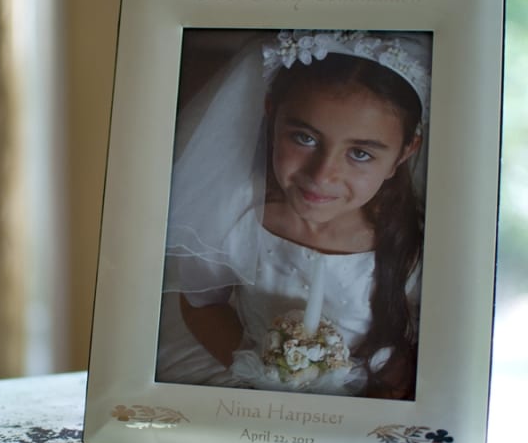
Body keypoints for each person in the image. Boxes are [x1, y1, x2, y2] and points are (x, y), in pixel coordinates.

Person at [156, 29, 431, 400]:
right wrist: (260, 370)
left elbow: (411, 360)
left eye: (360, 154)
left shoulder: (413, 244)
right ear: (271, 113)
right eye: (304, 138)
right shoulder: (236, 220)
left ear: (404, 152)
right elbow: (203, 304)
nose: (322, 175)